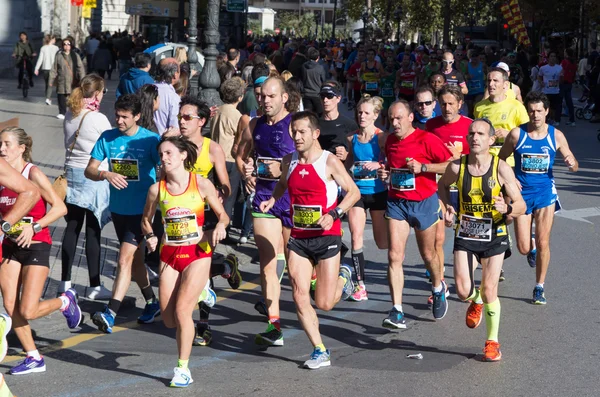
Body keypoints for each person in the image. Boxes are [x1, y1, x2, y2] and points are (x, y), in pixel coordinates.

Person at [259, 111, 359, 369]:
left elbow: (353, 193)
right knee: (300, 293)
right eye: (294, 131)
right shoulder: (289, 160)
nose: (297, 136)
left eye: (302, 131)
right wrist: (274, 198)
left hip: (327, 235)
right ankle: (319, 349)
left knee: (324, 303)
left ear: (315, 134)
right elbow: (283, 183)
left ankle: (344, 277)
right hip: (299, 236)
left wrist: (334, 213)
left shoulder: (328, 162)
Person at [142, 135, 228, 388]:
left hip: (198, 252)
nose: (164, 158)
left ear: (182, 156)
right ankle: (204, 292)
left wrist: (221, 227)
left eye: (168, 153)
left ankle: (182, 369)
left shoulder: (201, 184)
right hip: (169, 255)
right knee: (169, 320)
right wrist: (149, 236)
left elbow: (223, 216)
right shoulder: (156, 189)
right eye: (161, 154)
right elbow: (145, 219)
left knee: (182, 311)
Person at [438, 118, 526, 362]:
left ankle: (492, 341)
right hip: (466, 233)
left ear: (491, 140)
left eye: (480, 134)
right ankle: (474, 300)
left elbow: (521, 204)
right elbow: (443, 187)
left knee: (490, 289)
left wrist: (506, 209)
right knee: (464, 290)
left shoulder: (501, 168)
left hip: (494, 234)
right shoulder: (457, 167)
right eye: (471, 133)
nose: (474, 137)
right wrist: (447, 208)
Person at [0, 127, 78, 375]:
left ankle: (65, 301)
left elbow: (59, 208)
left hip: (36, 244)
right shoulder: (3, 177)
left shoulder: (31, 173)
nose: (2, 149)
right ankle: (33, 356)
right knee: (10, 305)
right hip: (10, 246)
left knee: (28, 309)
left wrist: (34, 227)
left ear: (22, 148)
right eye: (0, 144)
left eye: (7, 144)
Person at [85, 94, 160, 333]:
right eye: (117, 115)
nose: (119, 120)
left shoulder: (151, 140)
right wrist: (106, 174)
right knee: (135, 262)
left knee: (123, 259)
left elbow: (165, 170)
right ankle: (151, 302)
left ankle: (110, 312)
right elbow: (90, 170)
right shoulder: (107, 138)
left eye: (125, 117)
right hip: (119, 210)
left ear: (137, 116)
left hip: (142, 212)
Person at [167, 96, 238, 347]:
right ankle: (226, 267)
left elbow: (226, 184)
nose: (182, 122)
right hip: (177, 216)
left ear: (202, 121)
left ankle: (204, 326)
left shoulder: (212, 148)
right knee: (188, 265)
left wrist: (221, 192)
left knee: (201, 265)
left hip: (205, 216)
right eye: (180, 117)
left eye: (188, 117)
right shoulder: (173, 144)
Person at [376, 100, 452, 328]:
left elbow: (451, 165)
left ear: (410, 118)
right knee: (394, 256)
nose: (395, 123)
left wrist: (424, 168)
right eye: (391, 119)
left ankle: (438, 288)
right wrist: (385, 175)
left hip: (423, 202)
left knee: (428, 254)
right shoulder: (389, 140)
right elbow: (392, 169)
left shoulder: (426, 139)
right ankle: (396, 310)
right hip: (397, 202)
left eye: (399, 118)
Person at [499, 92, 578, 304]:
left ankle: (539, 287)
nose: (535, 115)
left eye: (539, 111)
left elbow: (573, 162)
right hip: (521, 195)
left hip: (545, 194)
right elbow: (500, 160)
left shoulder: (556, 136)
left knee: (544, 242)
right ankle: (530, 248)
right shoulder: (517, 134)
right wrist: (509, 181)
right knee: (524, 248)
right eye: (531, 111)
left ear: (546, 111)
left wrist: (571, 163)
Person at [235, 77, 294, 346]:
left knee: (295, 266)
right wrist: (245, 171)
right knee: (269, 263)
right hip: (264, 198)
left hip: (295, 200)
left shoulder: (295, 125)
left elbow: (311, 162)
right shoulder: (255, 124)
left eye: (271, 96)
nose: (265, 101)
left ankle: (323, 275)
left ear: (284, 98)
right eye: (262, 97)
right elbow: (240, 153)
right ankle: (274, 325)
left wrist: (282, 170)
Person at [61, 74, 112, 300]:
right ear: (98, 93)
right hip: (91, 176)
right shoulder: (98, 118)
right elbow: (109, 147)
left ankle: (65, 281)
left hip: (71, 174)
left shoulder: (71, 115)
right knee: (93, 231)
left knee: (72, 227)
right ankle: (94, 286)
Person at [345, 96, 388, 301]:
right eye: (360, 112)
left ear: (376, 115)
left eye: (366, 113)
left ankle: (395, 261)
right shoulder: (351, 138)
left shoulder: (382, 138)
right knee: (355, 236)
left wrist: (380, 166)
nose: (362, 116)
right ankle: (360, 285)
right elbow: (347, 165)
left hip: (378, 193)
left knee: (382, 242)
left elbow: (392, 161)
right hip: (357, 193)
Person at [474, 67, 529, 167]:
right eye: (489, 80)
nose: (491, 84)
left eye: (495, 81)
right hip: (485, 158)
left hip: (509, 159)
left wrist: (509, 135)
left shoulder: (517, 106)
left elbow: (529, 135)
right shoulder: (479, 107)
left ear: (505, 85)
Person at [317, 80, 358, 161]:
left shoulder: (350, 125)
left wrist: (347, 155)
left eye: (329, 96)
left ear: (338, 98)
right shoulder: (313, 123)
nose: (325, 100)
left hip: (342, 170)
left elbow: (359, 153)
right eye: (322, 96)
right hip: (321, 170)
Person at [49, 38, 85, 120]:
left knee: (73, 97)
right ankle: (62, 112)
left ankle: (73, 112)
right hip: (62, 80)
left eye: (68, 44)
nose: (66, 46)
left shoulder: (75, 56)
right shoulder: (59, 56)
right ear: (62, 45)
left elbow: (81, 69)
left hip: (73, 80)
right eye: (65, 44)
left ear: (71, 45)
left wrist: (82, 80)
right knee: (61, 96)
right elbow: (54, 68)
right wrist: (51, 80)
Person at [153, 58, 181, 134]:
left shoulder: (146, 89)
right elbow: (174, 127)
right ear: (175, 74)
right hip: (162, 139)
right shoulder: (173, 97)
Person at [301, 47, 327, 116]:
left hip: (306, 94)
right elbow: (324, 81)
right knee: (320, 115)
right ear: (318, 58)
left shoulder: (303, 66)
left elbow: (301, 78)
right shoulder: (320, 68)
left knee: (308, 115)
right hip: (317, 94)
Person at [34, 34, 59, 106]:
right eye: (54, 39)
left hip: (45, 68)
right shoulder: (56, 48)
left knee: (47, 84)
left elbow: (40, 59)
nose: (55, 40)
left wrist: (36, 68)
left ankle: (48, 98)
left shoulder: (43, 48)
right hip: (53, 69)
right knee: (50, 84)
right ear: (52, 39)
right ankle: (48, 98)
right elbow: (58, 59)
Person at [560, 48, 577, 127]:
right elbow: (574, 74)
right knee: (569, 102)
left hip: (563, 83)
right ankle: (572, 119)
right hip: (569, 83)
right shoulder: (573, 63)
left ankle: (557, 119)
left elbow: (561, 72)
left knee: (559, 101)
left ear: (566, 53)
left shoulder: (564, 62)